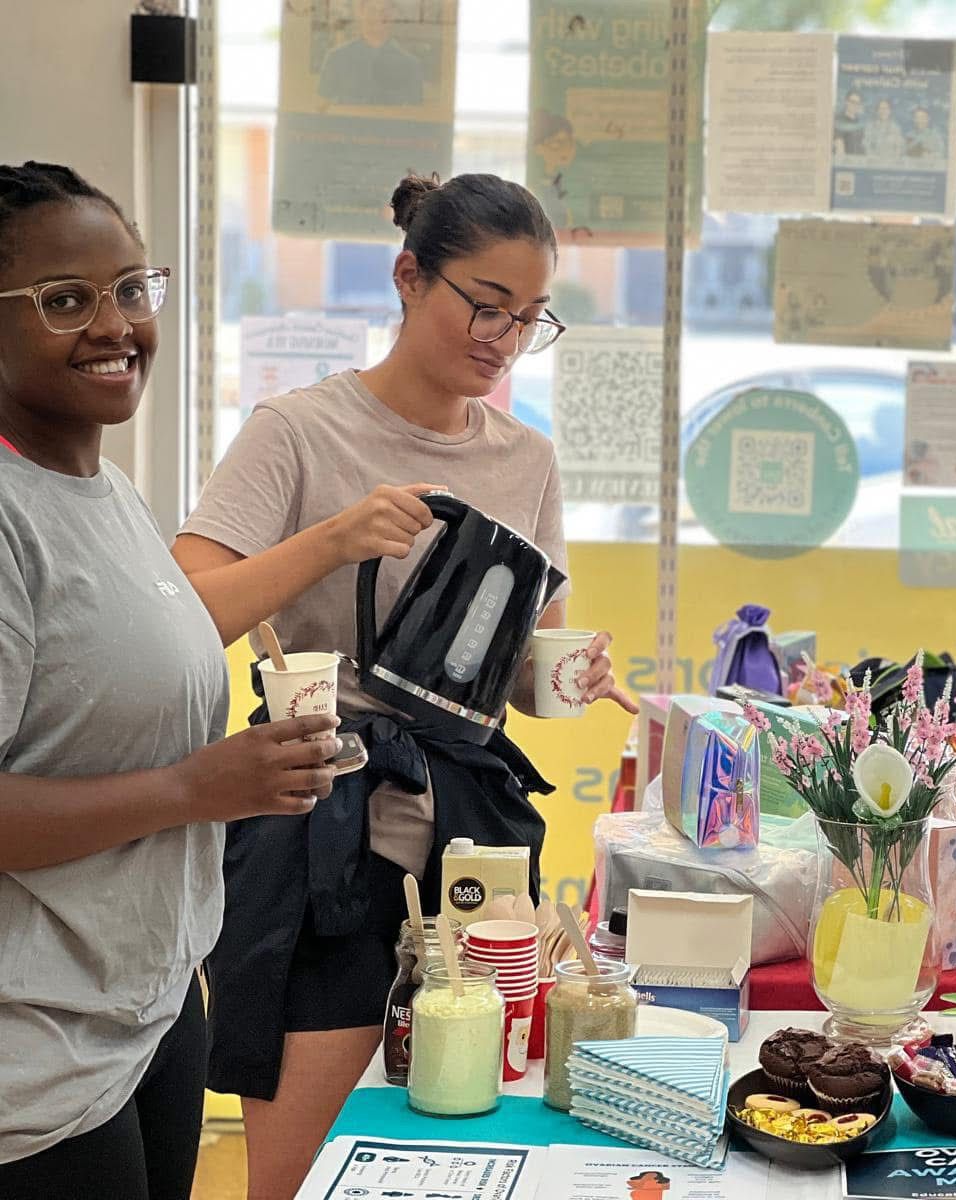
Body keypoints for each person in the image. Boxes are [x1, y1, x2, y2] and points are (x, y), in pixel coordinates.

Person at [172, 170, 636, 1199]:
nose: (504, 338)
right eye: (483, 305)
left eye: (529, 319)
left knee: (466, 1142)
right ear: (408, 276)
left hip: (470, 836)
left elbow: (520, 679)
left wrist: (571, 671)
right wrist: (333, 539)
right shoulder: (298, 431)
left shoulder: (528, 459)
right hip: (318, 816)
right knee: (296, 1170)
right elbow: (189, 606)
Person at [0, 162, 338, 1199]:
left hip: (145, 1013)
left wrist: (247, 772)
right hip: (35, 1058)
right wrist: (200, 790)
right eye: (66, 301)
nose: (115, 326)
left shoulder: (105, 489)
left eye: (131, 290)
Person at [317, 0, 425, 107]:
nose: (378, 16)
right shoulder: (336, 59)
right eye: (372, 10)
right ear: (360, 12)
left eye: (385, 10)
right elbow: (321, 108)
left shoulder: (412, 65)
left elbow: (414, 116)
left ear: (393, 14)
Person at [833, 90, 866, 156]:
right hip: (846, 162)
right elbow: (839, 147)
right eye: (852, 102)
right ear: (846, 102)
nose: (855, 105)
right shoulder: (839, 119)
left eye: (857, 103)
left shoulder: (859, 122)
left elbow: (862, 144)